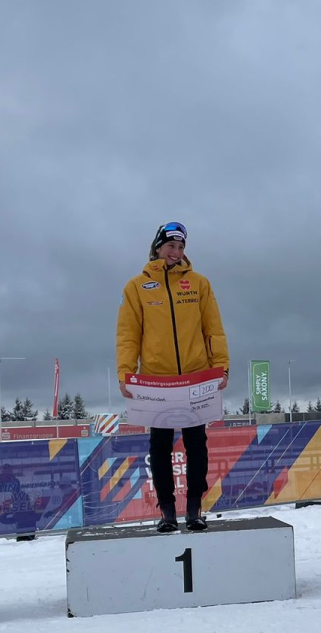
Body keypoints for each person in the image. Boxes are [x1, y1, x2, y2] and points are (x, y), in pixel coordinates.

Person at [116, 222, 229, 533]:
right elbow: (128, 336)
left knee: (197, 444)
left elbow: (213, 329)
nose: (176, 253)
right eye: (170, 246)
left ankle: (195, 509)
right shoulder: (136, 287)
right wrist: (126, 373)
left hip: (196, 378)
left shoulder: (199, 284)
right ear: (157, 247)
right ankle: (167, 512)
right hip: (156, 381)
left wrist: (222, 366)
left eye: (180, 248)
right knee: (159, 446)